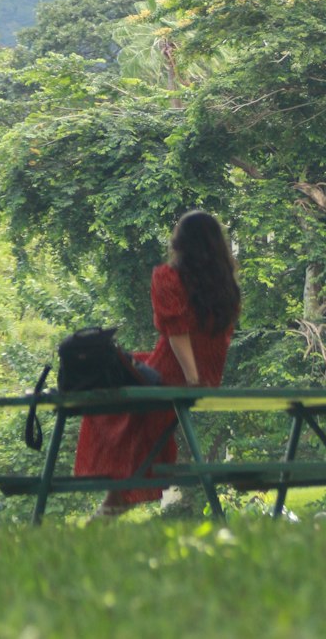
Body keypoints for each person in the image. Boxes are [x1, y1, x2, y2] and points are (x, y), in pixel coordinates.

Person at [74, 210, 241, 515]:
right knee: (131, 379)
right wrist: (201, 377)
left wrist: (191, 378)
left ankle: (110, 505)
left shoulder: (168, 277)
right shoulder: (226, 286)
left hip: (176, 373)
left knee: (114, 393)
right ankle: (112, 505)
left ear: (181, 243)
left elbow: (177, 332)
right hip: (205, 376)